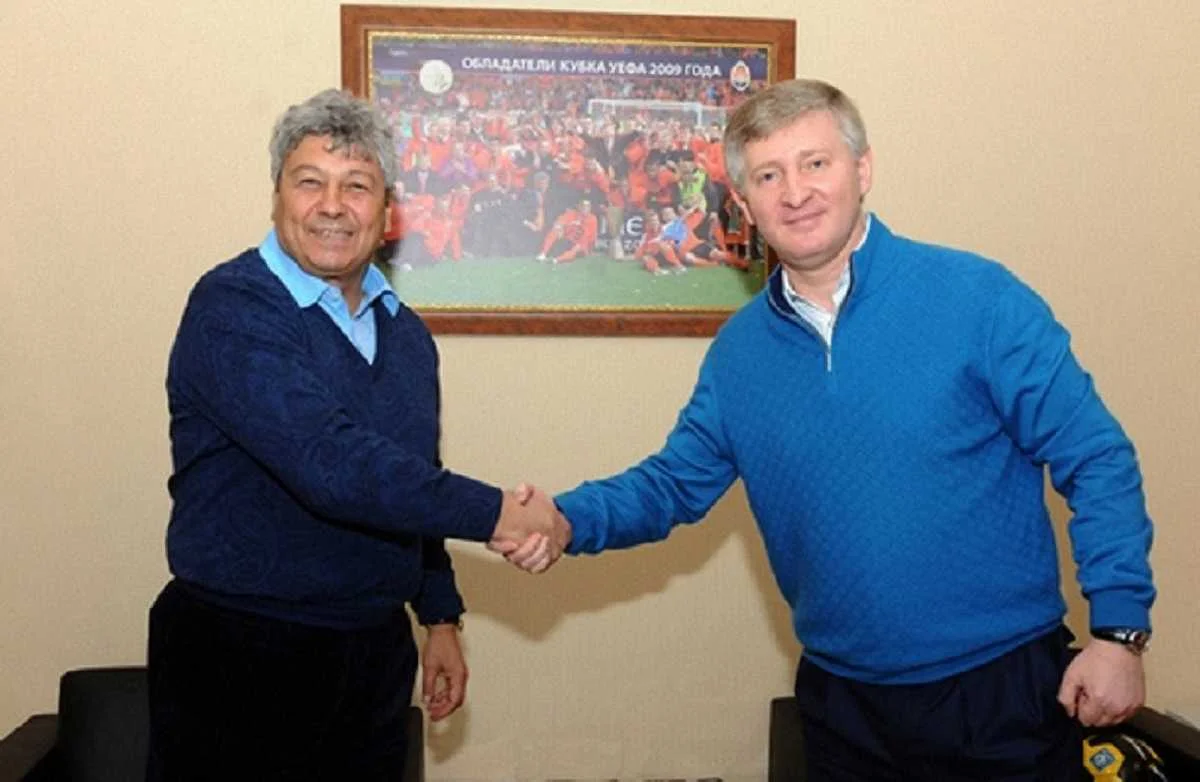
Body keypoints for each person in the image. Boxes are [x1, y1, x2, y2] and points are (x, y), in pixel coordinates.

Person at [499, 78, 1156, 781]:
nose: (795, 193)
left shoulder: (978, 299)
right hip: (843, 710)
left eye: (815, 163)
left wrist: (1118, 633)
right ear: (743, 204)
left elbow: (1096, 457)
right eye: (768, 176)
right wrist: (565, 520)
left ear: (862, 169)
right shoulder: (738, 354)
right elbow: (671, 485)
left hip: (1001, 694)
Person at [148, 88, 567, 782]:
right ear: (277, 197)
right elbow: (330, 463)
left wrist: (438, 616)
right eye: (309, 182)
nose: (332, 206)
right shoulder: (232, 307)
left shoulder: (406, 334)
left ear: (388, 211)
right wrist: (498, 513)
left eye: (357, 186)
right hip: (241, 651)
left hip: (372, 652)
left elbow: (408, 476)